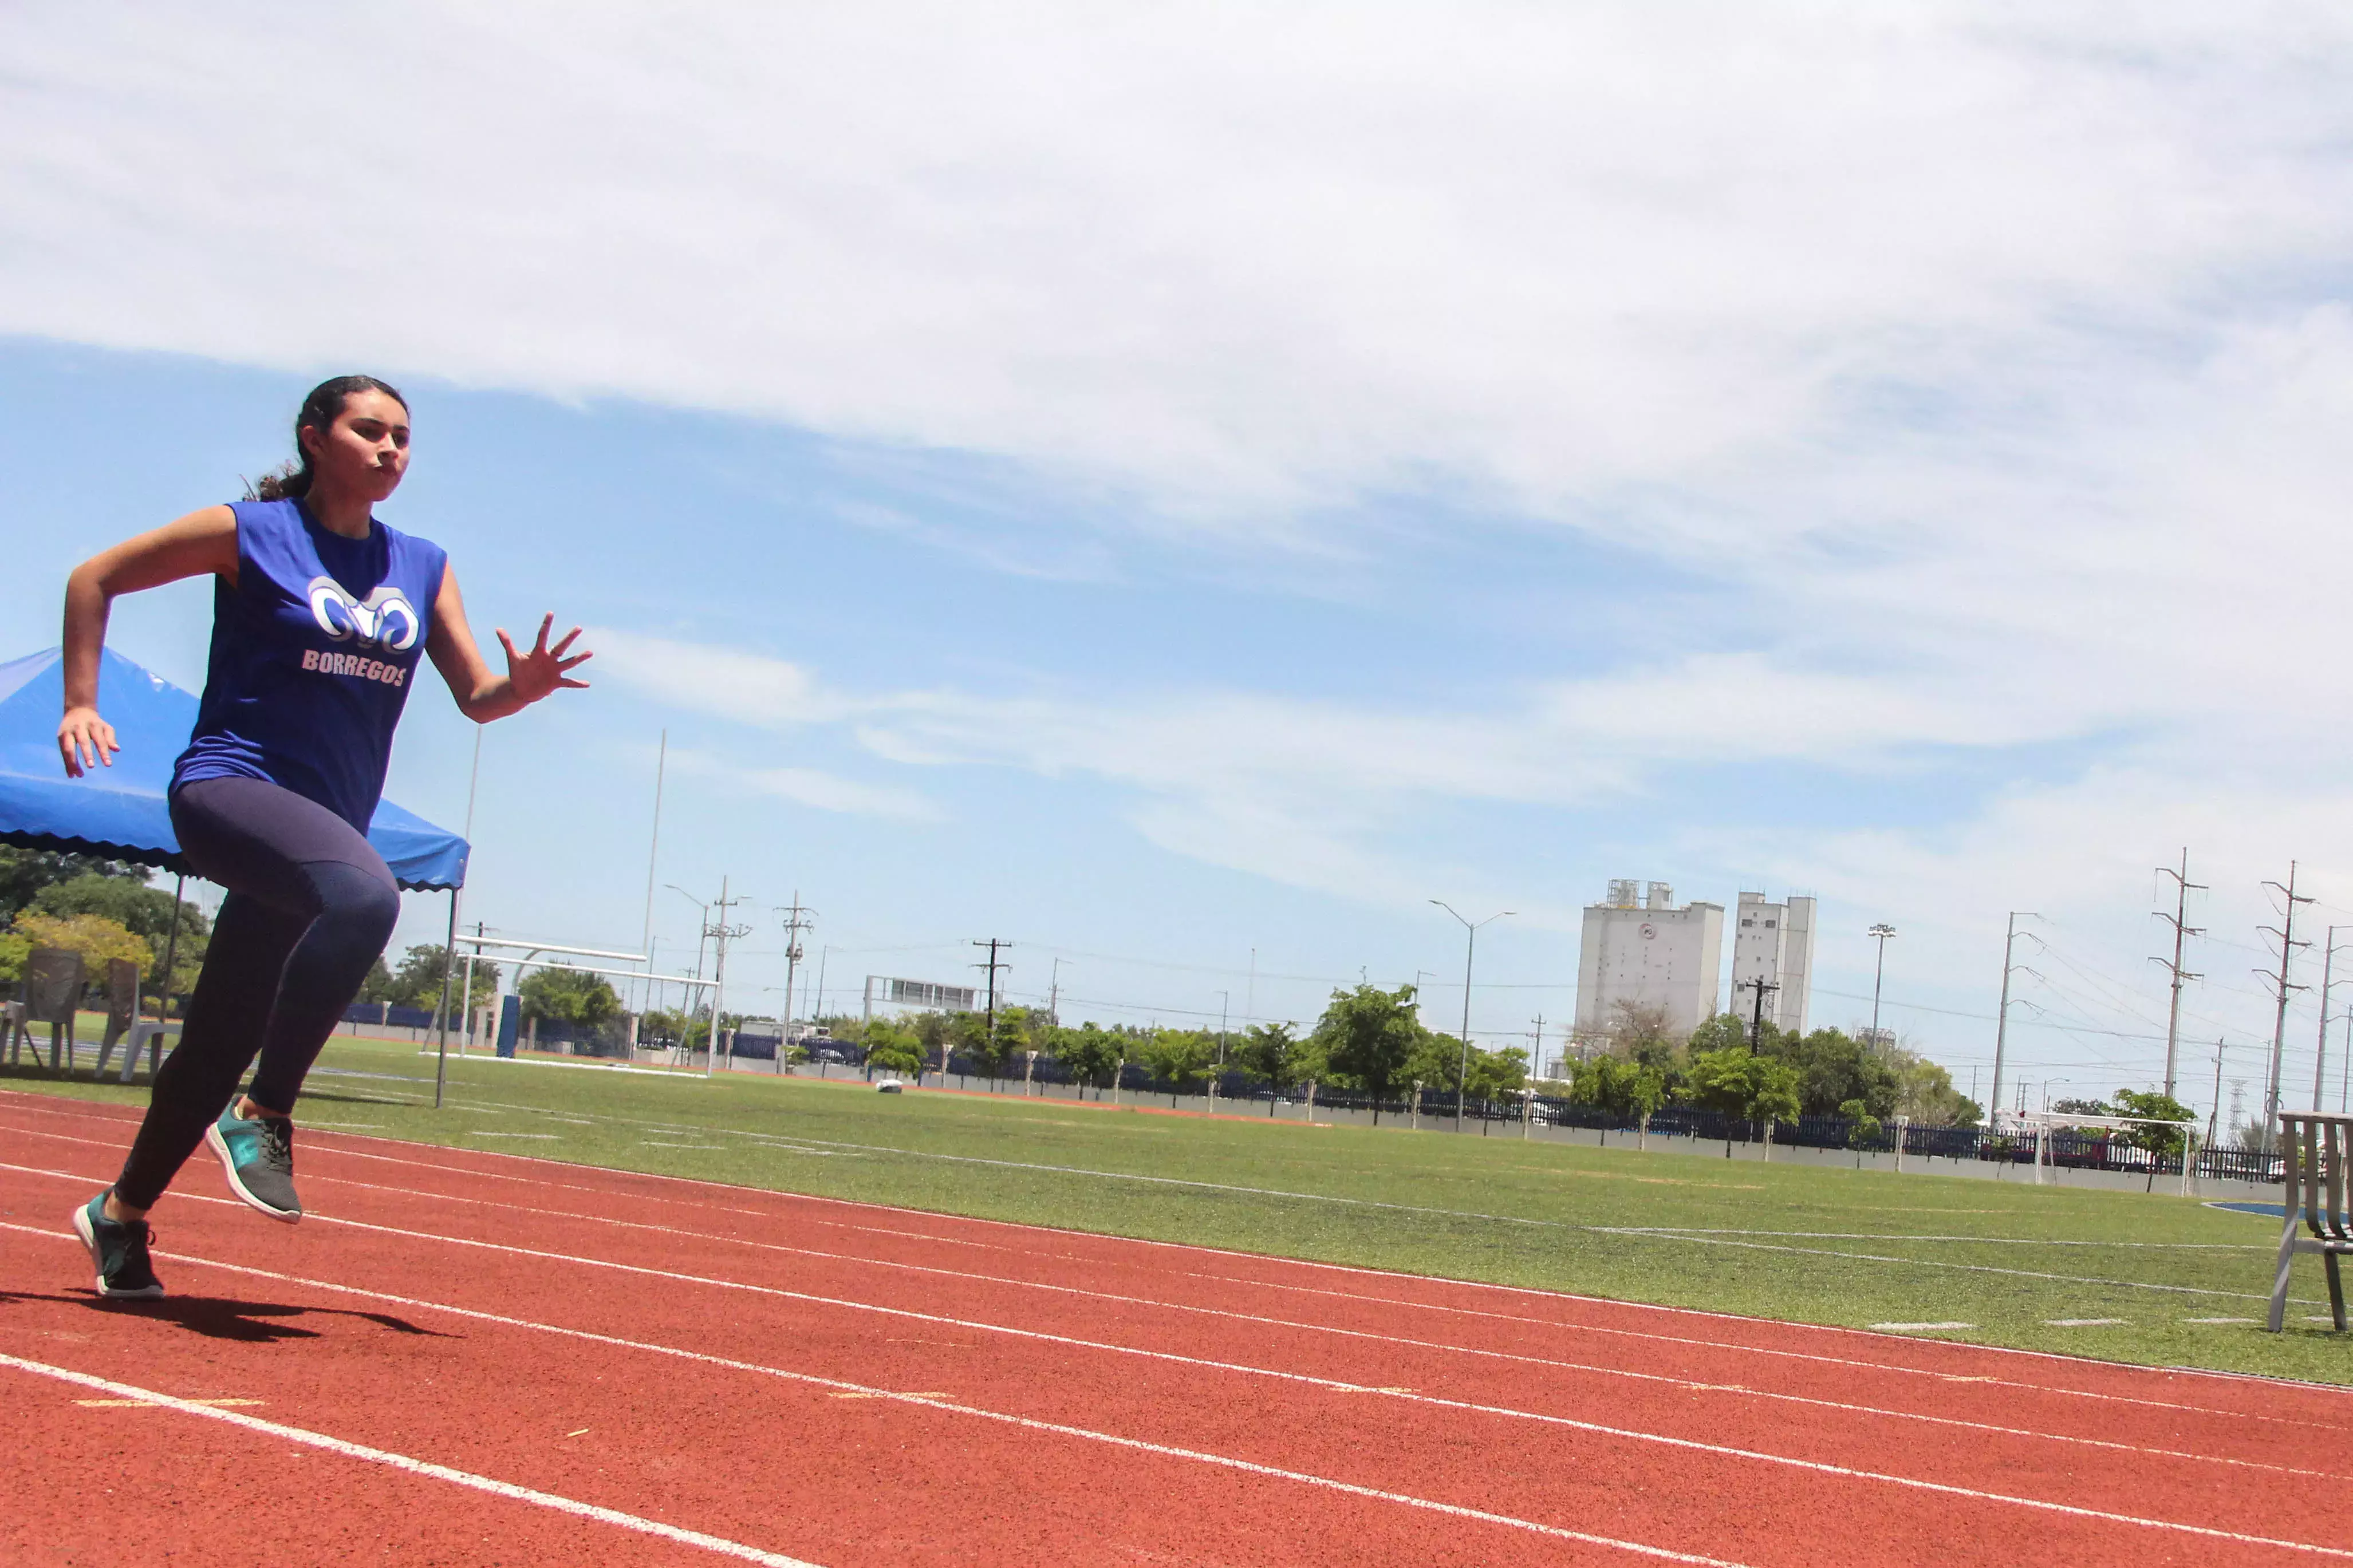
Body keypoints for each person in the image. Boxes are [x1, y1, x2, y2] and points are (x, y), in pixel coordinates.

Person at [57, 375, 590, 1298]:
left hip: (319, 832)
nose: (391, 450)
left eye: (403, 438)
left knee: (217, 1036)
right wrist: (79, 701)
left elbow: (475, 696)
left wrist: (523, 689)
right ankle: (264, 1111)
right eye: (370, 431)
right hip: (231, 789)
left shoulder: (422, 563)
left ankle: (119, 1215)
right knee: (368, 894)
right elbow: (92, 577)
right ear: (315, 436)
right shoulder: (249, 533)